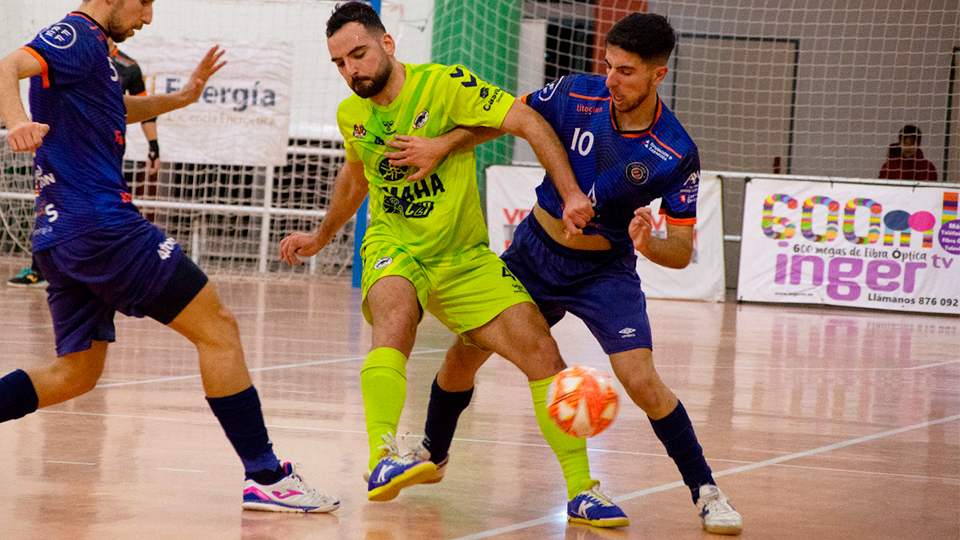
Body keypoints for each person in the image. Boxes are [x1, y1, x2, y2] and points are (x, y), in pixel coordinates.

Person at [388, 13, 744, 535]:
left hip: (604, 270)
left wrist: (651, 244)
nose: (611, 80)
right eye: (608, 65)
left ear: (658, 76)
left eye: (625, 72)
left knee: (641, 380)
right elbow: (506, 118)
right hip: (533, 253)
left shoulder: (675, 151)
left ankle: (707, 491)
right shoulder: (576, 94)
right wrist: (444, 144)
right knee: (466, 349)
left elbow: (683, 251)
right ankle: (431, 452)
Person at [0, 0, 337, 514]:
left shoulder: (96, 56)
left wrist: (182, 98)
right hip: (102, 227)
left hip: (59, 235)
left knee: (76, 374)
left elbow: (120, 108)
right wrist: (16, 121)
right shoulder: (75, 36)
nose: (148, 17)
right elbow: (7, 66)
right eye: (145, 2)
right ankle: (266, 476)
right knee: (218, 328)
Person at [278, 3, 612, 516]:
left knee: (543, 355)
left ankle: (582, 490)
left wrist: (568, 193)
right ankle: (382, 455)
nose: (352, 72)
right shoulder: (352, 115)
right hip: (395, 244)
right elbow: (356, 177)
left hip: (463, 257)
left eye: (359, 55)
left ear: (388, 44)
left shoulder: (444, 84)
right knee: (394, 317)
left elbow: (528, 120)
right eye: (340, 64)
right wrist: (323, 236)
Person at [7, 39, 159, 289]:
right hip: (60, 148)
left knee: (99, 205)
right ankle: (39, 268)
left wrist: (154, 146)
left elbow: (143, 109)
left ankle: (108, 264)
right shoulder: (71, 53)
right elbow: (14, 70)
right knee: (47, 202)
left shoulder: (129, 67)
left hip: (100, 153)